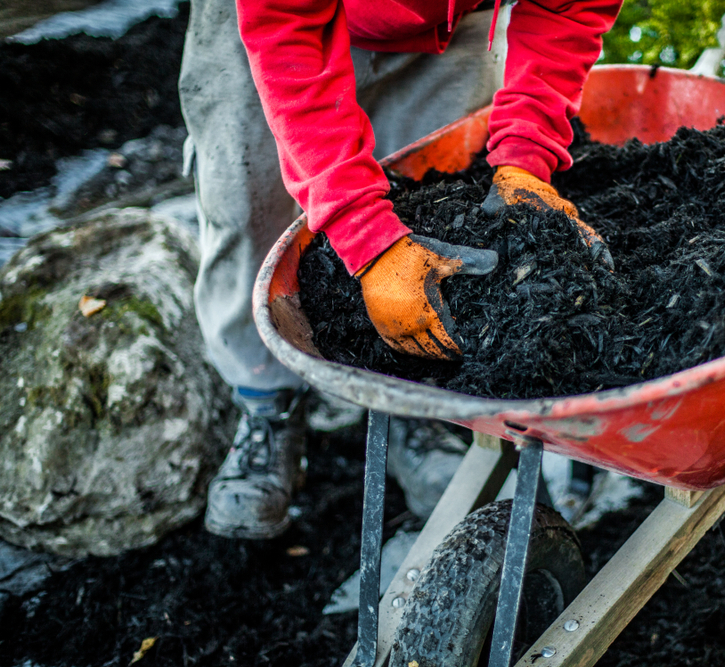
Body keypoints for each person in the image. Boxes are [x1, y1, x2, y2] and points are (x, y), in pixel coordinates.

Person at [178, 0, 621, 539]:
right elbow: (283, 24)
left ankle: (414, 408)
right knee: (250, 204)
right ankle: (265, 404)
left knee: (432, 184)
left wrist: (526, 158)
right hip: (270, 18)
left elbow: (571, 10)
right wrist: (367, 238)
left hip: (448, 19)